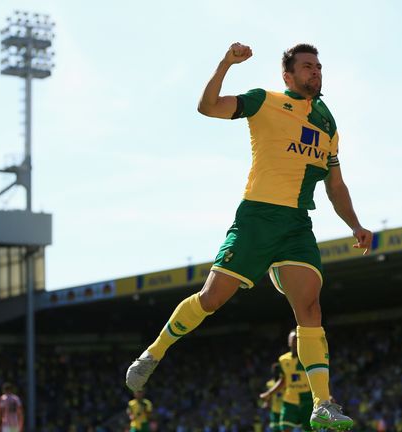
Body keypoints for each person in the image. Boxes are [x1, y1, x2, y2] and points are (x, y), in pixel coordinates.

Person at [125, 42, 372, 431]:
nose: (316, 72)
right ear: (287, 76)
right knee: (210, 299)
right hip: (257, 218)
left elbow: (335, 185)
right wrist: (225, 63)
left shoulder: (327, 122)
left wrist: (355, 224)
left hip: (296, 226)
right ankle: (154, 353)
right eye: (307, 67)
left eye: (319, 66)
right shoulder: (264, 101)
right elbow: (208, 107)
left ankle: (322, 403)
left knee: (310, 310)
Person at [260, 330, 314, 431]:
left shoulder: (309, 358)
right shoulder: (283, 360)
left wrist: (326, 395)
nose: (295, 341)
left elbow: (318, 378)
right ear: (288, 341)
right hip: (290, 400)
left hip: (307, 400)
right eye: (293, 339)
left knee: (310, 429)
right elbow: (283, 380)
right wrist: (269, 393)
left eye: (297, 339)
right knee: (285, 428)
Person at [259, 362, 285, 432]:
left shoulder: (285, 382)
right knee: (275, 429)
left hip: (284, 410)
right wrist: (266, 403)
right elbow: (268, 397)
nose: (275, 372)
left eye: (277, 370)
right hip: (275, 411)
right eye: (274, 370)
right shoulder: (269, 384)